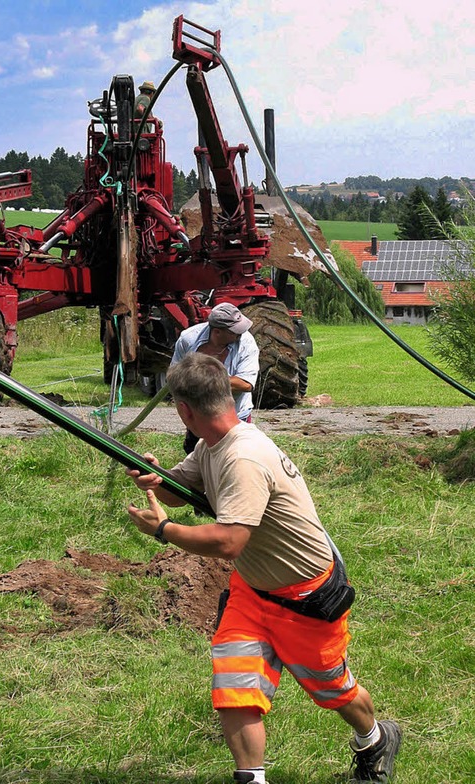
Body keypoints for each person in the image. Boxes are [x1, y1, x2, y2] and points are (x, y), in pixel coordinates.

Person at [126, 353, 401, 784]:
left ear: (184, 410)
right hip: (252, 593)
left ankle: (375, 738)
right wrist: (157, 478)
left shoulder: (244, 458)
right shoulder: (211, 445)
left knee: (332, 690)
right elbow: (184, 488)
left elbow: (229, 541)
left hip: (306, 597)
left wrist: (164, 530)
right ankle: (251, 779)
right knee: (234, 691)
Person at [170, 302, 259, 453]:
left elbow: (246, 384)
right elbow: (174, 375)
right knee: (196, 460)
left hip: (236, 418)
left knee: (235, 460)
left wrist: (202, 379)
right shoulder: (188, 340)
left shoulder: (247, 343)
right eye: (235, 331)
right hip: (198, 417)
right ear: (217, 332)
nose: (241, 334)